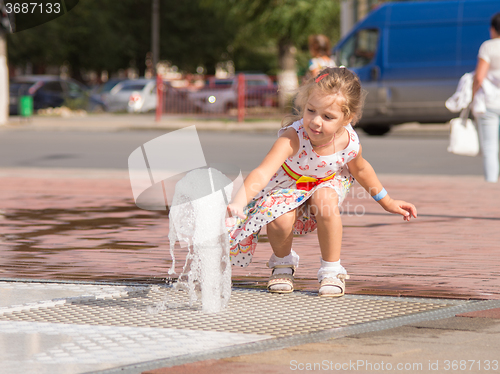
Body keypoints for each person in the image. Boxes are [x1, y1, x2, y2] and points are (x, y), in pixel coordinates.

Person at [226, 67, 417, 297]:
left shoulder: (348, 142)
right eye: (310, 110)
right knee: (278, 218)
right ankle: (282, 263)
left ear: (347, 118)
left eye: (328, 117)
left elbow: (362, 170)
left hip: (326, 181)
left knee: (324, 199)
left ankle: (331, 270)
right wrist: (239, 201)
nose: (316, 122)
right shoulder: (293, 137)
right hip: (290, 184)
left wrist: (387, 202)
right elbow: (262, 173)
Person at [473, 12, 500, 183]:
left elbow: (479, 77)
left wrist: (474, 95)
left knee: (490, 147)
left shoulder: (488, 46)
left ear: (493, 29)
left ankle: (491, 186)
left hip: (491, 102)